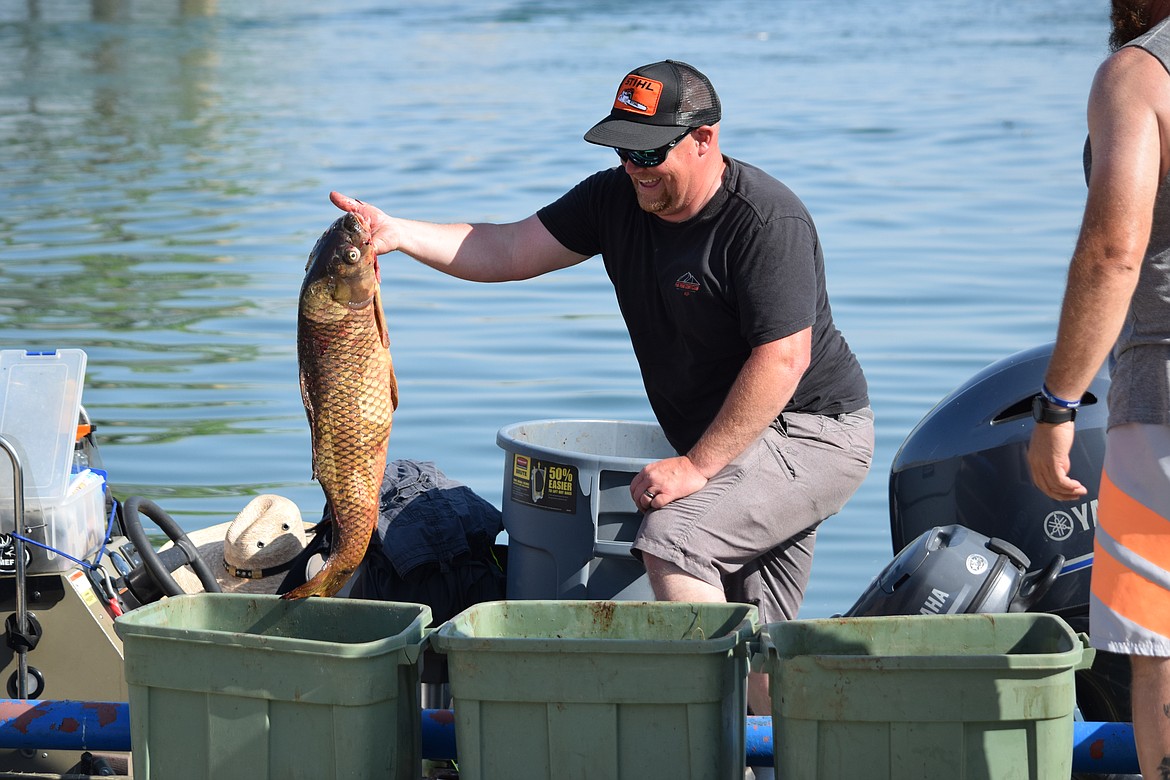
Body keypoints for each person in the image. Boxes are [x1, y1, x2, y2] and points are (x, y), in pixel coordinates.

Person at [332, 59, 873, 716]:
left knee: (673, 542)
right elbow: (507, 249)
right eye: (622, 149)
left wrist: (697, 466)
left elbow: (783, 360)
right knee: (755, 632)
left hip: (811, 432)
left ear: (706, 138)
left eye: (650, 149)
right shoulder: (614, 199)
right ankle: (774, 752)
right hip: (738, 438)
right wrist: (397, 234)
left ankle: (700, 745)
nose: (635, 166)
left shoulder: (763, 221)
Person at [1027, 2, 1170, 776]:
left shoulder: (1141, 72)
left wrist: (1058, 404)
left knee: (1163, 641)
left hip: (1164, 399)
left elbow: (1117, 247)